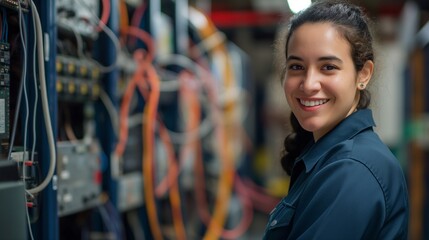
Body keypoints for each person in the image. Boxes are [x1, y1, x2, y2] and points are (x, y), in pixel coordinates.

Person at [263, 0, 409, 239]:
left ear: (363, 73)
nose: (309, 84)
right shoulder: (328, 157)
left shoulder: (352, 171)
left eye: (328, 67)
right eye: (297, 66)